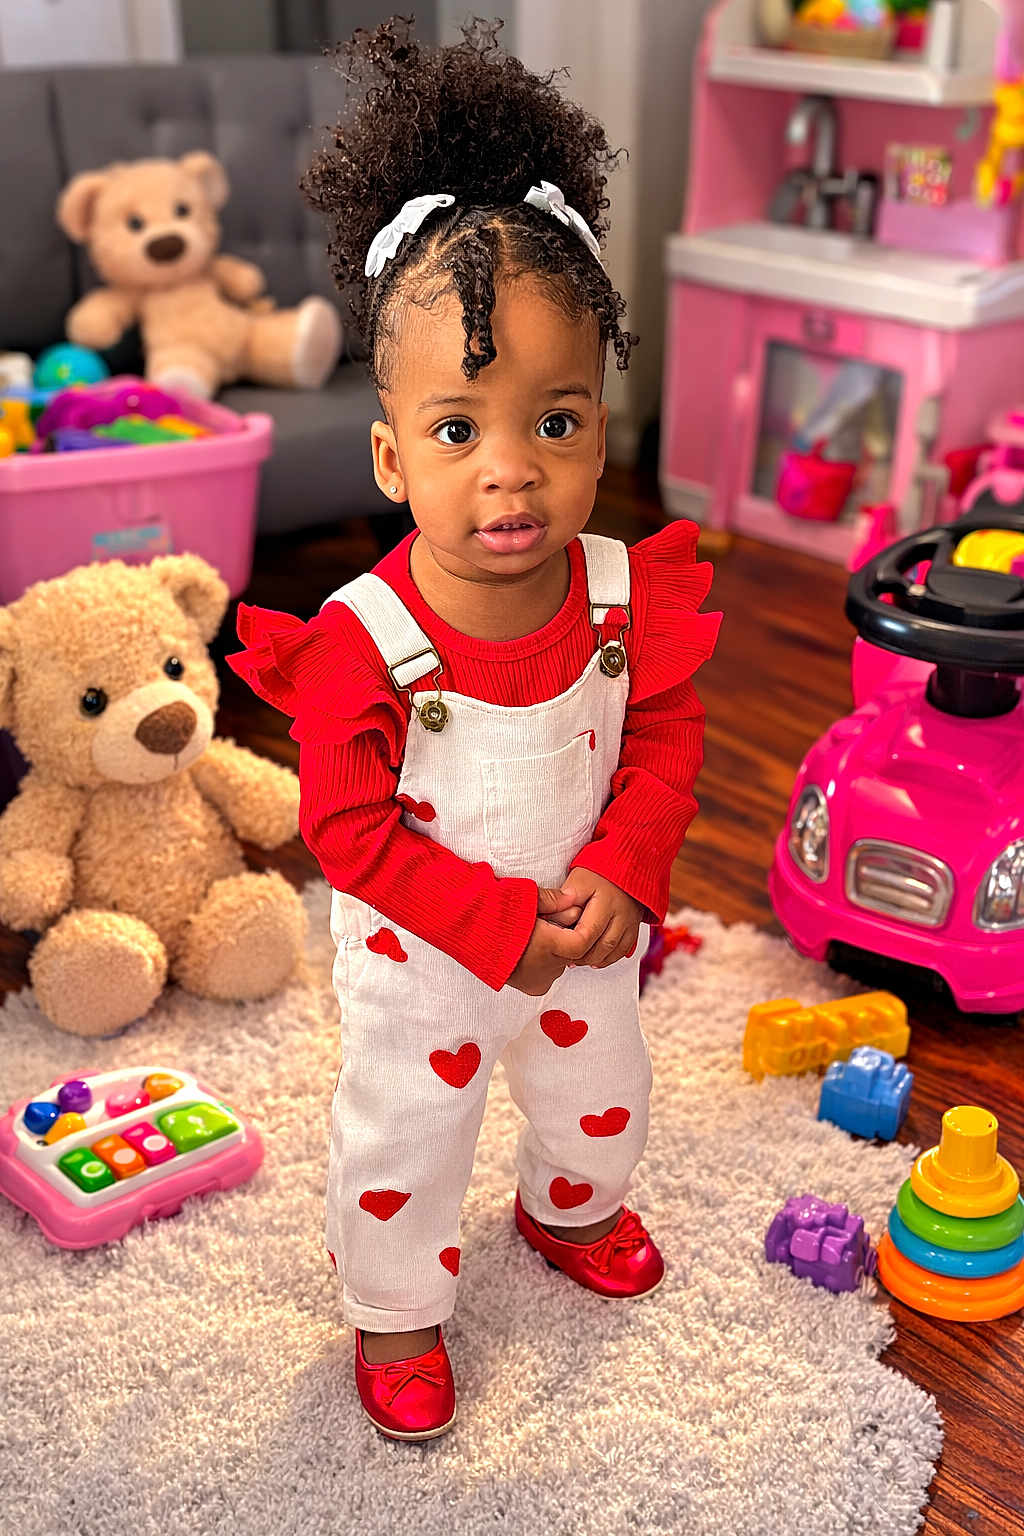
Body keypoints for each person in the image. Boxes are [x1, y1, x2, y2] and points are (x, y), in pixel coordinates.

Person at [229, 16, 721, 1442]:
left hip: (590, 930)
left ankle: (568, 1215)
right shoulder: (366, 644)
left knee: (600, 1091)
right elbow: (348, 828)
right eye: (458, 430)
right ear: (391, 453)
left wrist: (625, 867)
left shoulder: (625, 597)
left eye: (556, 422)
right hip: (431, 959)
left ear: (598, 418)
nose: (512, 472)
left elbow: (666, 741)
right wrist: (497, 925)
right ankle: (395, 1306)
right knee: (407, 1136)